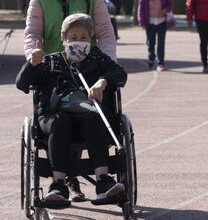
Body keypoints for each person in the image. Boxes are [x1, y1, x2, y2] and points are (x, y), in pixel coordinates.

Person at [25, 0, 117, 201]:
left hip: (89, 68)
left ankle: (98, 179)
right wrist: (33, 58)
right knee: (62, 118)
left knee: (89, 114)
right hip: (53, 69)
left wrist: (105, 69)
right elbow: (32, 33)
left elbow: (106, 33)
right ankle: (66, 180)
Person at [16, 13, 127, 203]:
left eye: (83, 38)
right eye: (73, 38)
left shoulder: (97, 58)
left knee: (94, 119)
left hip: (88, 115)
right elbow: (22, 83)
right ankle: (59, 185)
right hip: (54, 117)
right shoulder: (51, 61)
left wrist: (103, 81)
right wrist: (32, 64)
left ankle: (103, 181)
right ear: (63, 39)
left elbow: (119, 72)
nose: (78, 41)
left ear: (91, 38)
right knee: (61, 121)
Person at [137, 0, 173, 71]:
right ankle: (151, 58)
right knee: (151, 43)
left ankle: (161, 63)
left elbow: (170, 4)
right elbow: (140, 8)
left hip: (161, 21)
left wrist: (166, 9)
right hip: (149, 22)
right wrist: (141, 22)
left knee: (161, 43)